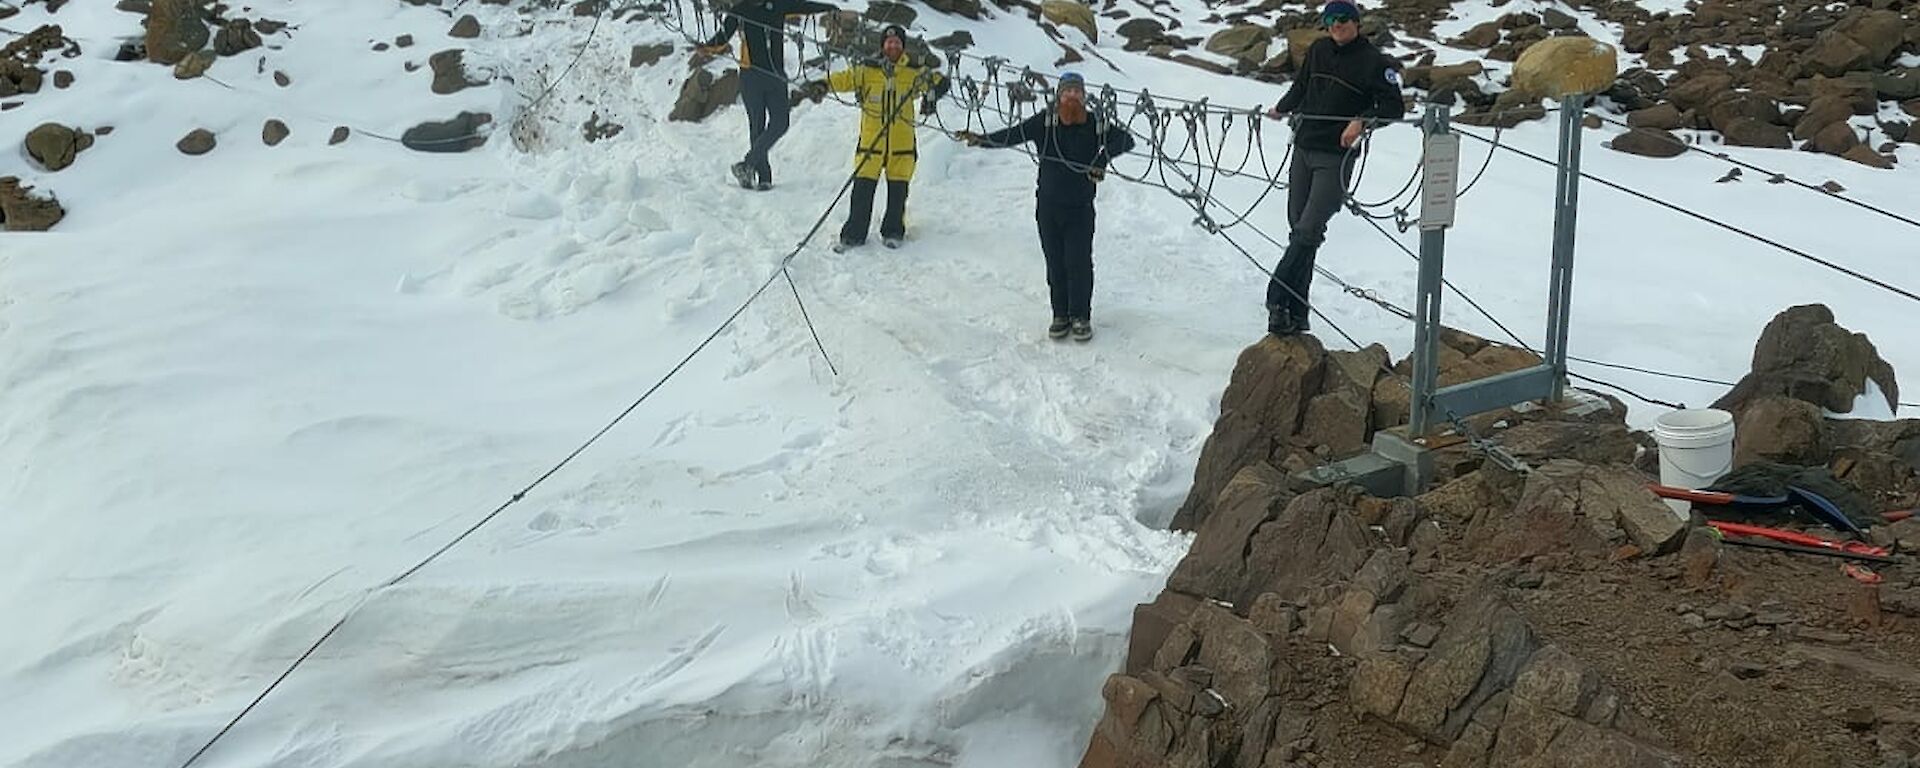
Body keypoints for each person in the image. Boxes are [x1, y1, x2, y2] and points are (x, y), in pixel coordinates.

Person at [1261, 0, 1405, 336]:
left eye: (1343, 19)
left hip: (1335, 157)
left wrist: (1362, 120)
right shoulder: (1318, 49)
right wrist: (1282, 108)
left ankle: (1276, 296)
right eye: (1330, 20)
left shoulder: (1375, 61)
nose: (1336, 25)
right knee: (1299, 229)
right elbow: (1301, 86)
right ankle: (1295, 313)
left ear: (1356, 23)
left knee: (1308, 229)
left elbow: (1394, 106)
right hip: (1304, 147)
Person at [956, 73, 1135, 342]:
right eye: (1067, 92)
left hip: (1080, 209)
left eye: (1077, 92)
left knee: (1079, 263)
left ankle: (1081, 316)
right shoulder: (1046, 122)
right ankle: (1060, 315)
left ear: (1084, 97)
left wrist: (1102, 159)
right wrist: (982, 140)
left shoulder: (1096, 124)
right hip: (1048, 208)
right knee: (1055, 263)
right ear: (1059, 96)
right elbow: (1014, 135)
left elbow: (1126, 140)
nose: (1072, 96)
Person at [800, 24, 950, 251]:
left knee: (898, 193)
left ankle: (893, 231)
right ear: (883, 45)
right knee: (862, 190)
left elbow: (939, 81)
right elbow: (844, 78)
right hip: (871, 143)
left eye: (897, 43)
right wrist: (823, 84)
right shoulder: (867, 70)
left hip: (902, 145)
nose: (893, 46)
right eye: (889, 42)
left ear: (902, 47)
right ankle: (854, 235)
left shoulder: (913, 71)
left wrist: (933, 95)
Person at [698, 0, 838, 190]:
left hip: (776, 76)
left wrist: (829, 7)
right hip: (750, 75)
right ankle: (764, 178)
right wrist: (705, 47)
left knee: (781, 123)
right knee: (757, 125)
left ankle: (747, 165)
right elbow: (722, 38)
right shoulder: (740, 10)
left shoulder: (779, 5)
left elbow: (803, 6)